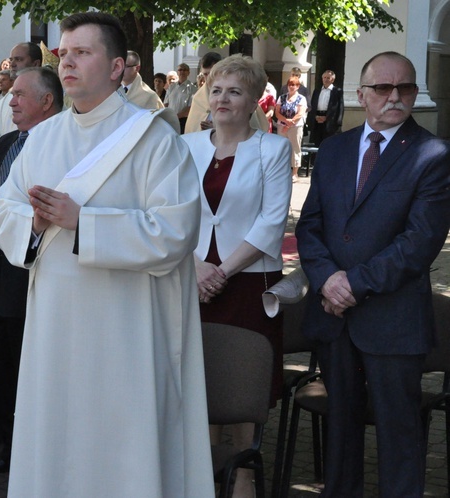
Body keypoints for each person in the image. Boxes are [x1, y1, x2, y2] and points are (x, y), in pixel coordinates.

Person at [0, 12, 213, 497]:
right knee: (57, 432)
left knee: (117, 443)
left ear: (116, 67)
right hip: (54, 322)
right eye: (63, 54)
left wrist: (83, 223)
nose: (67, 62)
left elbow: (174, 231)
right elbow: (3, 207)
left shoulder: (154, 138)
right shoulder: (42, 137)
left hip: (123, 327)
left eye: (82, 53)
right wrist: (32, 221)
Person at [296, 51, 450, 498]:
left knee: (398, 436)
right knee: (340, 434)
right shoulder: (336, 149)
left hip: (393, 319)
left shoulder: (434, 154)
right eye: (383, 88)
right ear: (362, 95)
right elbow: (310, 226)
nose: (395, 97)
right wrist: (327, 280)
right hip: (333, 319)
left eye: (405, 87)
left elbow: (418, 244)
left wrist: (352, 286)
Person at [181, 54, 292, 498]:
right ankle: (205, 474)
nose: (223, 98)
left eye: (235, 91)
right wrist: (194, 265)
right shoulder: (185, 146)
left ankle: (244, 476)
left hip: (247, 282)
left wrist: (220, 272)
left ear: (254, 102)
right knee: (202, 378)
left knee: (242, 387)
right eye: (217, 89)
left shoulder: (272, 148)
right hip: (191, 278)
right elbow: (172, 215)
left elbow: (271, 222)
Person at [0, 67, 63, 475]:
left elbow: (46, 207)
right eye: (11, 93)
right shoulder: (6, 142)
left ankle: (30, 448)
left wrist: (0, 227)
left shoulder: (60, 145)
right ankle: (6, 441)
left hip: (27, 272)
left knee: (27, 365)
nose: (11, 100)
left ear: (47, 101)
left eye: (21, 94)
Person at [0, 42, 42, 155]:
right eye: (11, 60)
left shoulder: (46, 97)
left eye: (19, 59)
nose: (12, 64)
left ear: (36, 63)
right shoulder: (3, 103)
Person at [275, 76, 307, 180]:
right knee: (282, 148)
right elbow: (277, 112)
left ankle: (294, 173)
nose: (291, 87)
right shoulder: (282, 97)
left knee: (295, 148)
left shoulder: (301, 98)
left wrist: (289, 124)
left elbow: (300, 113)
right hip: (282, 126)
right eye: (290, 85)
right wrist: (285, 121)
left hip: (295, 127)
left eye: (294, 85)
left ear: (298, 86)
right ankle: (283, 171)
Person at [307, 69, 344, 146]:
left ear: (332, 80)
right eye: (324, 77)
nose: (326, 79)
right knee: (317, 144)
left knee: (329, 144)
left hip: (329, 122)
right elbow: (313, 105)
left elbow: (340, 108)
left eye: (328, 78)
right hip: (317, 121)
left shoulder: (337, 91)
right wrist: (315, 117)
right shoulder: (317, 91)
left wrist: (330, 119)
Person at [163, 62, 197, 132]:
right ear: (177, 72)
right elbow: (166, 104)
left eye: (185, 70)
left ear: (188, 73)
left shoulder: (192, 88)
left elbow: (190, 107)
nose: (182, 72)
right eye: (180, 70)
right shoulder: (171, 87)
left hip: (183, 121)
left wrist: (176, 116)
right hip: (170, 120)